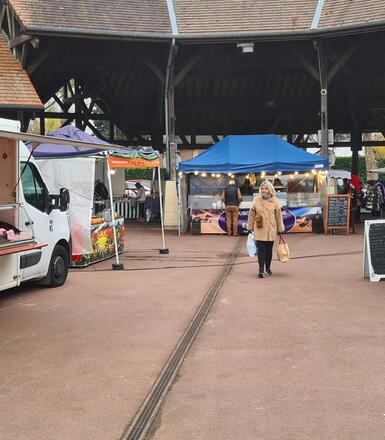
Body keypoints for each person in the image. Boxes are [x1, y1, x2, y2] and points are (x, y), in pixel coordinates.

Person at [247, 180, 285, 278]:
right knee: (261, 250)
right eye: (262, 188)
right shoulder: (256, 200)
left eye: (266, 188)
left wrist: (280, 229)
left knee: (269, 251)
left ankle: (268, 268)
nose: (264, 190)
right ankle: (261, 270)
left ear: (270, 190)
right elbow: (251, 214)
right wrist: (250, 227)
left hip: (271, 229)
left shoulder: (276, 201)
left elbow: (278, 216)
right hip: (260, 229)